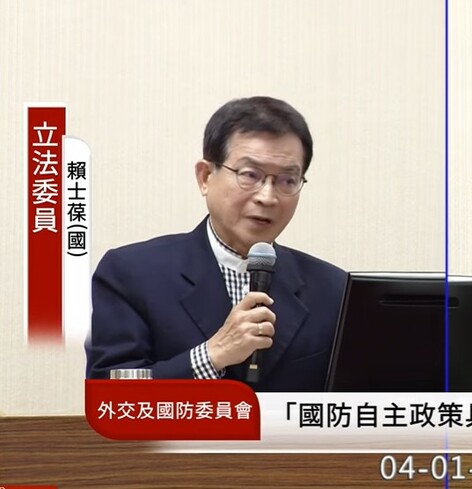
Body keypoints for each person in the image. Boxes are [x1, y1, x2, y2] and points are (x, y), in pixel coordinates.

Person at [86, 96, 346, 391]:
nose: (267, 196)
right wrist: (210, 356)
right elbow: (109, 388)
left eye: (287, 180)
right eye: (250, 175)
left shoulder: (333, 289)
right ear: (206, 177)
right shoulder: (131, 273)